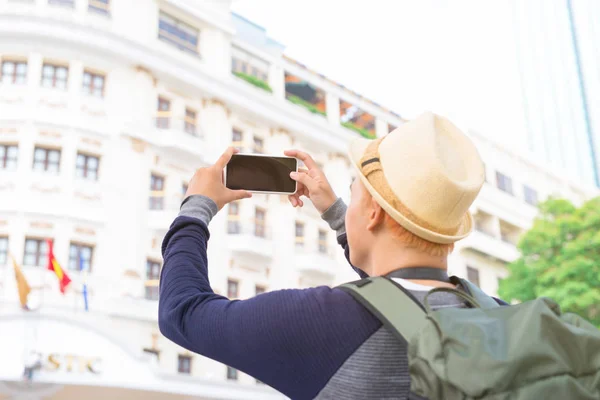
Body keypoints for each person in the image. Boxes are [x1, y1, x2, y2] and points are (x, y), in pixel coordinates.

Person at [158, 112, 503, 399]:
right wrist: (340, 214)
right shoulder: (500, 319)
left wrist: (196, 207)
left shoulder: (318, 322)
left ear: (373, 215)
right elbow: (395, 294)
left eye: (353, 196)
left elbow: (183, 312)